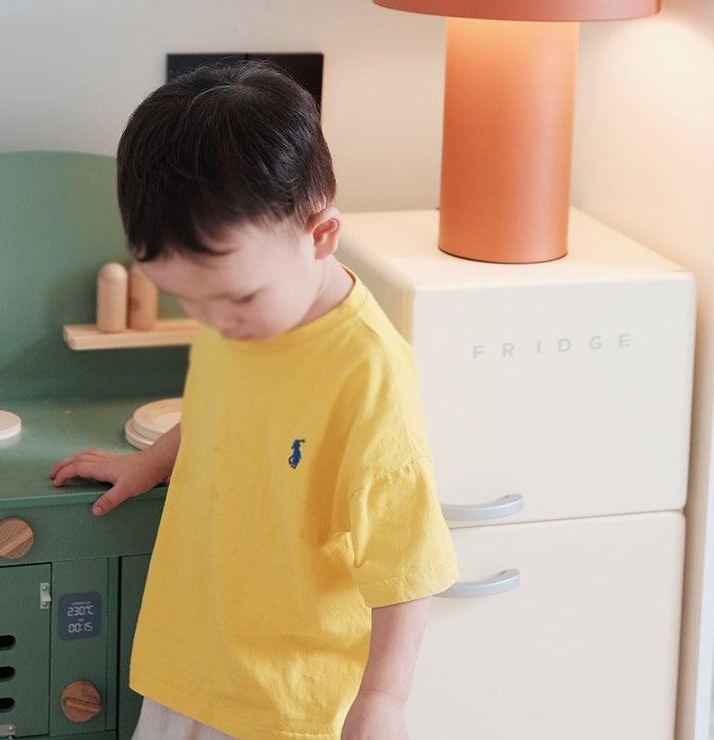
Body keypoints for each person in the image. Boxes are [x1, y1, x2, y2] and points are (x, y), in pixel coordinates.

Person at [51, 61, 457, 740]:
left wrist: (383, 701)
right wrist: (150, 463)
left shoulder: (366, 376)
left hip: (287, 702)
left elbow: (405, 567)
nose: (214, 322)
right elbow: (221, 410)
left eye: (234, 297)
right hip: (189, 665)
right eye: (189, 297)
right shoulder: (239, 314)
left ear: (321, 236)